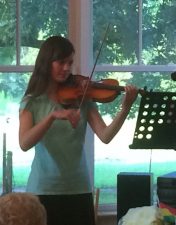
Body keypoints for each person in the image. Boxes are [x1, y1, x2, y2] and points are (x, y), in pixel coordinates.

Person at [18, 36, 138, 225]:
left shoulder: (82, 99)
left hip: (79, 187)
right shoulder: (32, 101)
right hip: (43, 189)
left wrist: (125, 108)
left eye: (70, 63)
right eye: (61, 62)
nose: (67, 68)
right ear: (46, 62)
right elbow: (24, 143)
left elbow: (105, 136)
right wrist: (52, 116)